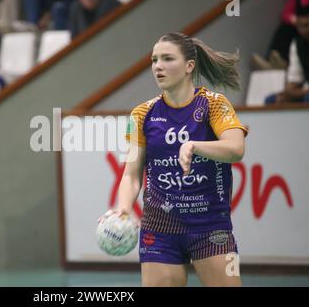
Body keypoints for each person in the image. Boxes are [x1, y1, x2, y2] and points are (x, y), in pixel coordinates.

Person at [100, 32, 248, 287]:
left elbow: (236, 148)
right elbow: (131, 174)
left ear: (189, 66)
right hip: (159, 228)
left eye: (167, 59)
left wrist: (194, 146)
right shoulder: (142, 114)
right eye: (154, 60)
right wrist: (124, 206)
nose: (158, 66)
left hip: (211, 227)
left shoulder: (215, 104)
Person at [264, 0, 309, 104]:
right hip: (305, 90)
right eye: (302, 26)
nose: (306, 29)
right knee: (272, 100)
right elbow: (293, 83)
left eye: (308, 24)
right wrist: (290, 93)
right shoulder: (297, 44)